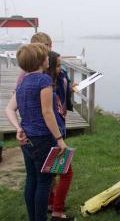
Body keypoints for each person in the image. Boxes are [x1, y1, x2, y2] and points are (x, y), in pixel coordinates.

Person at [5, 43, 67, 221]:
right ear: (40, 61)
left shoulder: (23, 82)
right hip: (43, 139)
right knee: (44, 182)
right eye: (47, 56)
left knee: (31, 180)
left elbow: (9, 109)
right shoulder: (43, 81)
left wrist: (18, 128)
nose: (49, 58)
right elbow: (47, 113)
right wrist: (59, 138)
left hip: (27, 139)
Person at [46, 51, 75, 221]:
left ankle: (51, 203)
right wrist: (59, 139)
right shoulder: (48, 90)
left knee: (50, 173)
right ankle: (57, 212)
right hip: (53, 136)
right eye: (57, 66)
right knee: (66, 173)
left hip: (50, 135)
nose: (60, 69)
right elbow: (50, 115)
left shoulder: (54, 83)